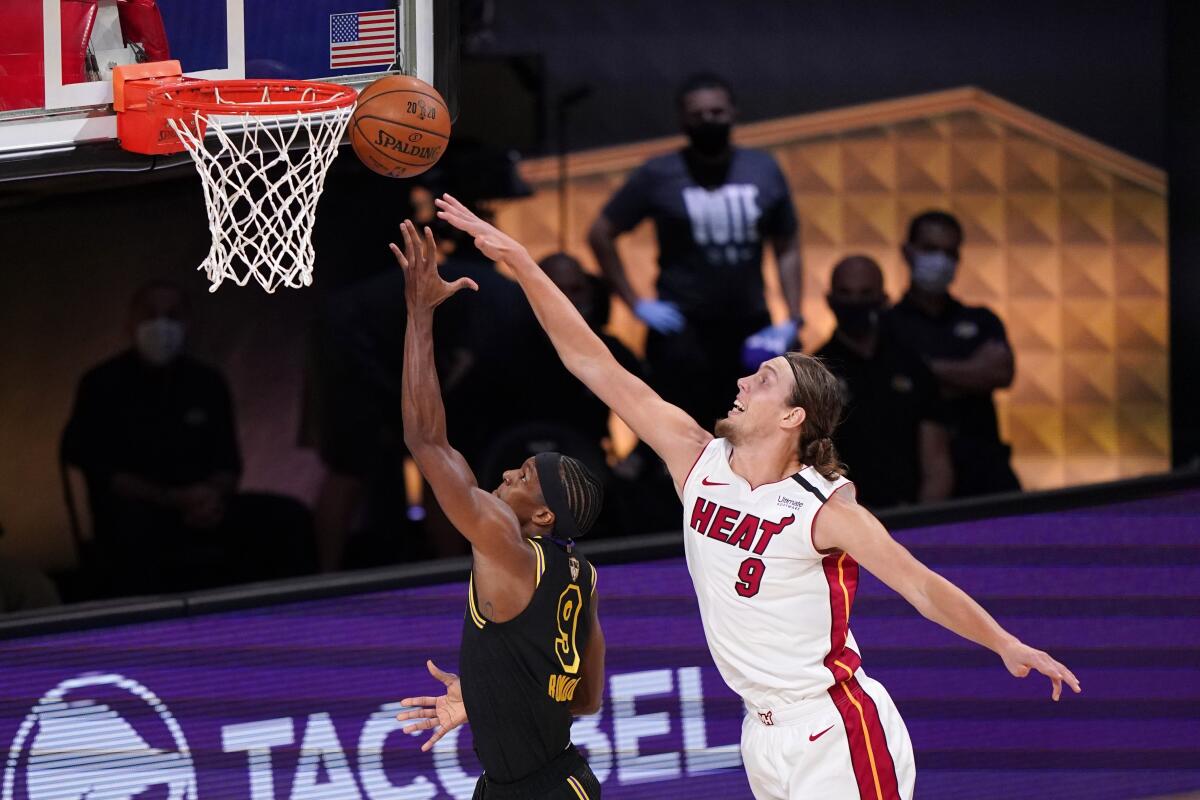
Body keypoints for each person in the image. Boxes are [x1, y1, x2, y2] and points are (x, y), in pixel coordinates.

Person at [435, 195, 1081, 800]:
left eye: (764, 378)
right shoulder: (697, 461)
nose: (743, 380)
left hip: (835, 727)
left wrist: (1004, 643)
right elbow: (593, 362)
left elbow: (921, 585)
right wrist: (519, 260)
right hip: (761, 734)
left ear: (793, 417)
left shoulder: (824, 508)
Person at [389, 221, 606, 800]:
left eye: (527, 477)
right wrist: (490, 693)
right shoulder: (580, 574)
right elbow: (584, 698)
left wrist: (419, 312)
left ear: (543, 518)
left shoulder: (505, 547)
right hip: (534, 780)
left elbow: (427, 441)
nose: (510, 472)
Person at [62, 280, 313, 595]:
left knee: (289, 518)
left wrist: (210, 496)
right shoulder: (101, 384)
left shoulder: (206, 382)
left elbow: (228, 462)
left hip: (206, 508)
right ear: (130, 323)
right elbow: (96, 466)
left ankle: (296, 617)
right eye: (150, 314)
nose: (161, 324)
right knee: (131, 534)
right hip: (137, 515)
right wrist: (169, 499)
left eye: (172, 315)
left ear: (188, 323)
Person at [588, 72, 803, 429]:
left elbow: (787, 243)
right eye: (698, 114)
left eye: (716, 112)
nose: (708, 121)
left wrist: (794, 318)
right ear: (683, 119)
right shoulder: (659, 173)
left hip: (749, 325)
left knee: (753, 432)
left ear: (733, 112)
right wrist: (635, 302)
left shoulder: (763, 169)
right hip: (681, 330)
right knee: (682, 431)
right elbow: (601, 233)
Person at [886, 211, 1021, 498]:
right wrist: (969, 371)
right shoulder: (887, 325)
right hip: (916, 478)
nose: (940, 260)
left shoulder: (981, 319)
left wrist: (921, 370)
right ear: (907, 252)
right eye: (930, 249)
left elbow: (1000, 373)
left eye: (949, 252)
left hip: (986, 470)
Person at [815, 255, 954, 508]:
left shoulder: (911, 365)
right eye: (846, 293)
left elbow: (937, 461)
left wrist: (924, 522)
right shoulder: (815, 374)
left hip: (908, 515)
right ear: (830, 299)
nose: (855, 302)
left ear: (882, 299)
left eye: (865, 293)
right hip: (843, 522)